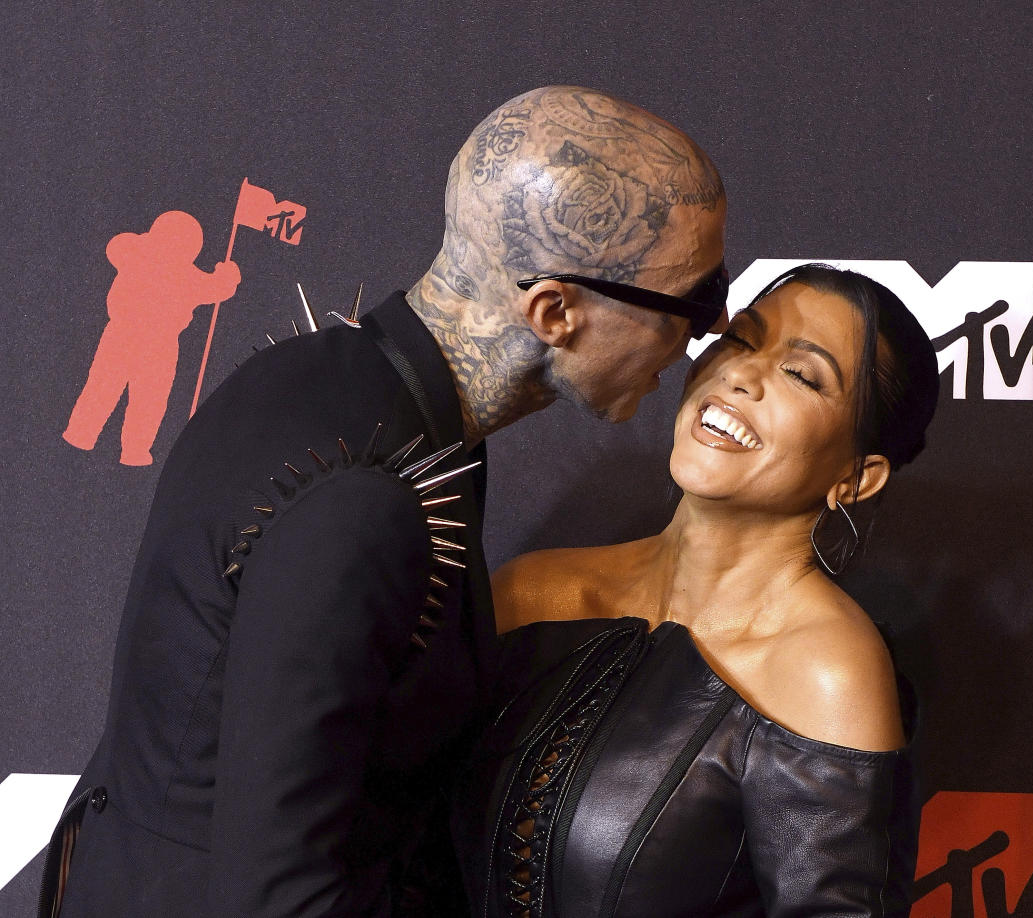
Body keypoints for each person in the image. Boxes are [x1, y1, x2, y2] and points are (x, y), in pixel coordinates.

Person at [39, 85, 727, 918]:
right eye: (691, 302)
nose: (703, 336)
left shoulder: (329, 381)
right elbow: (279, 895)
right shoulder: (366, 498)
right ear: (554, 311)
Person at [453, 264, 940, 918]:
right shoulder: (532, 591)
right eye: (740, 340)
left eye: (801, 374)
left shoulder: (826, 671)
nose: (740, 374)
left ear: (856, 476)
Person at [62, 210, 242, 466]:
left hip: (150, 341)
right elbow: (117, 246)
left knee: (141, 398)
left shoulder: (157, 263)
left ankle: (114, 443)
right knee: (121, 391)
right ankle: (96, 438)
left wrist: (227, 278)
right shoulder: (147, 259)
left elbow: (216, 288)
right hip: (134, 336)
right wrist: (227, 277)